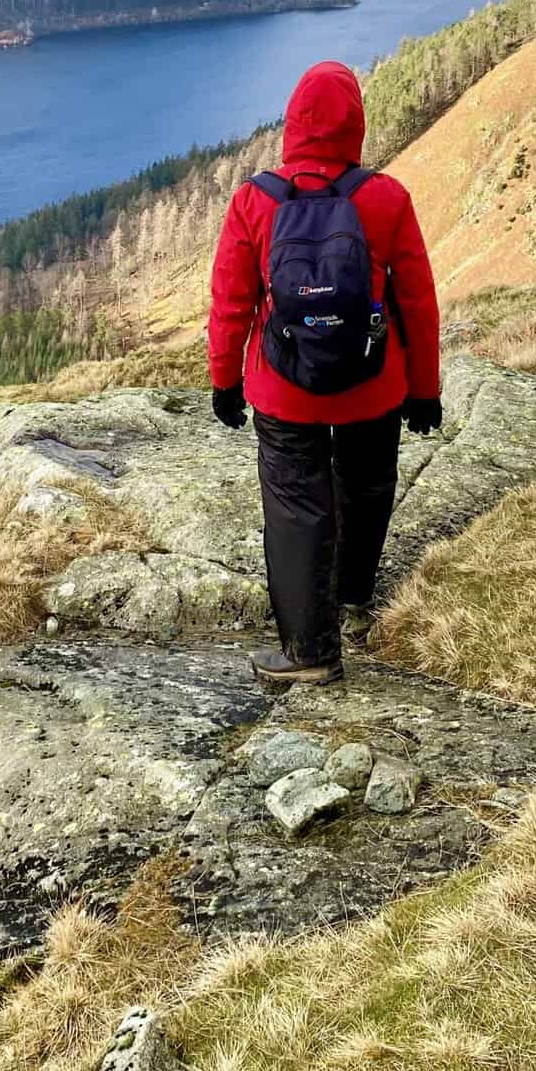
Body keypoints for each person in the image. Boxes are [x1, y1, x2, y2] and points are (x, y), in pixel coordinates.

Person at [208, 60, 442, 685]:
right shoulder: (386, 198)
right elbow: (417, 302)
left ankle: (309, 650)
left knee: (294, 506)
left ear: (292, 125)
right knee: (366, 486)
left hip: (284, 389)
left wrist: (225, 380)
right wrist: (425, 391)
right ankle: (354, 592)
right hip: (373, 385)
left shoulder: (254, 201)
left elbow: (232, 303)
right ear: (355, 126)